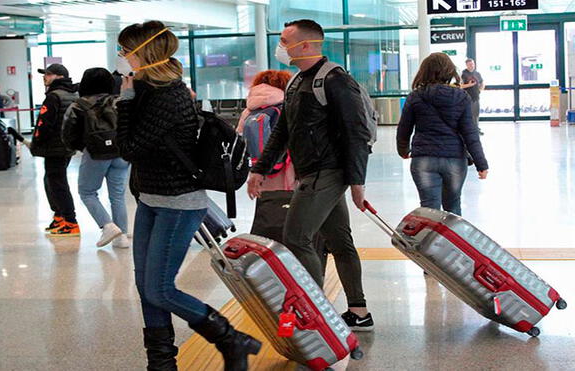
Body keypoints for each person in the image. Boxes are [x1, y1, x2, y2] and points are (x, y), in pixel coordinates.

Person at [115, 21, 261, 370]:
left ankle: (230, 338)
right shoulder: (148, 89)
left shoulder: (168, 95)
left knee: (160, 289)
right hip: (152, 198)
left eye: (125, 51)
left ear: (143, 53)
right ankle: (162, 363)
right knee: (146, 285)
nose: (121, 57)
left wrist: (125, 100)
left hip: (179, 204)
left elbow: (129, 148)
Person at [247, 19, 375, 332]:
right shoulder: (295, 82)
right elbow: (283, 131)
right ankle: (359, 312)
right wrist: (259, 169)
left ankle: (314, 313)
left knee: (296, 237)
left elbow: (356, 132)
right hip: (312, 171)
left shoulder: (334, 80)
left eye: (284, 39)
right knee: (338, 240)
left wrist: (357, 183)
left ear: (306, 45)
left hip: (326, 172)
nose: (280, 45)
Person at [397, 52, 489, 216]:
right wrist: (481, 163)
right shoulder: (461, 97)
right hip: (454, 159)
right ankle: (453, 242)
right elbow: (470, 133)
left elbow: (404, 128)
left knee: (429, 211)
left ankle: (430, 242)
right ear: (449, 71)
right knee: (453, 208)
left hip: (423, 159)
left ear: (424, 71)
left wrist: (403, 150)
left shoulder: (415, 97)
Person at [62, 67, 130, 249]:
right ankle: (121, 237)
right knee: (117, 195)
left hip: (96, 153)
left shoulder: (79, 105)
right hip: (121, 152)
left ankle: (107, 225)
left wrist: (82, 147)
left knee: (87, 192)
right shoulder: (119, 101)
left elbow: (68, 133)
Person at [31, 64, 80, 236]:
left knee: (57, 183)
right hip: (66, 145)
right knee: (52, 180)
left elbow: (44, 124)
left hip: (54, 147)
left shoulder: (53, 96)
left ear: (59, 77)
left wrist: (36, 143)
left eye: (49, 74)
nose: (45, 77)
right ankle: (59, 216)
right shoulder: (73, 94)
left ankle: (70, 221)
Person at [461, 58, 485, 135]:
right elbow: (460, 86)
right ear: (467, 65)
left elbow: (482, 82)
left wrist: (481, 89)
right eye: (470, 64)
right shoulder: (463, 74)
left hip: (476, 97)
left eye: (473, 64)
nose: (472, 66)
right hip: (467, 97)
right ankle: (470, 130)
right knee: (469, 114)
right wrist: (469, 85)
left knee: (476, 114)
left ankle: (476, 129)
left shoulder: (477, 73)